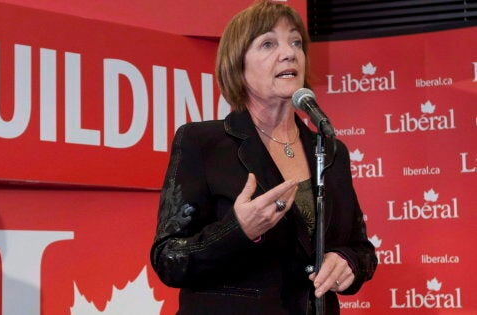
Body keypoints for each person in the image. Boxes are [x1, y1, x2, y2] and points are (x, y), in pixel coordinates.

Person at [150, 1, 377, 314]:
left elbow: (360, 248)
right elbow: (168, 258)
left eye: (295, 42)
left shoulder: (330, 151)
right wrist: (238, 229)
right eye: (268, 43)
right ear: (238, 65)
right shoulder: (202, 142)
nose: (288, 52)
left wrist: (348, 262)